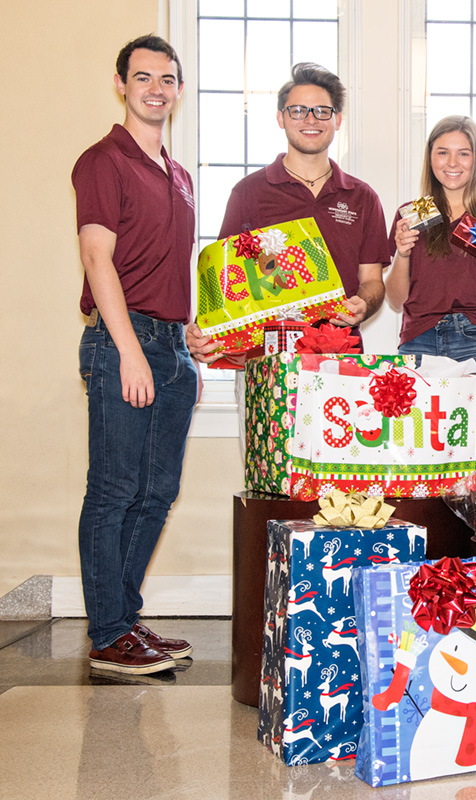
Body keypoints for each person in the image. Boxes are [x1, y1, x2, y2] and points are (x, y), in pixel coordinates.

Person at [73, 35, 198, 674]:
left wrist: (192, 334)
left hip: (173, 347)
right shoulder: (104, 161)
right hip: (126, 341)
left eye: (167, 79)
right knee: (115, 489)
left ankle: (124, 619)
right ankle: (107, 634)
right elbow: (98, 259)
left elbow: (170, 267)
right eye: (143, 77)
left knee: (158, 492)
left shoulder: (179, 175)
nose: (156, 88)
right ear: (121, 83)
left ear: (178, 89)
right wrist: (128, 351)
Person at [187, 62, 389, 364]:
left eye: (322, 111)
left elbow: (372, 280)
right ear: (281, 118)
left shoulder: (362, 198)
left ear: (338, 120)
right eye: (298, 110)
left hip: (340, 356)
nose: (311, 119)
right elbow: (225, 283)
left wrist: (364, 304)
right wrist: (205, 333)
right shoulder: (249, 193)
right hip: (265, 361)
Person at [386, 116, 476, 464]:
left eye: (463, 154)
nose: (452, 163)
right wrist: (402, 253)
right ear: (430, 158)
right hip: (419, 339)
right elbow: (395, 299)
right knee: (415, 455)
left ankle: (455, 520)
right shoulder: (412, 214)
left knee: (462, 459)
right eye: (442, 153)